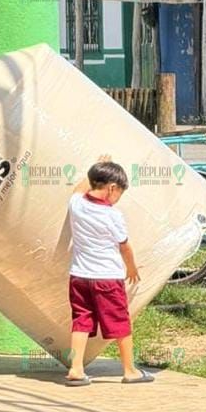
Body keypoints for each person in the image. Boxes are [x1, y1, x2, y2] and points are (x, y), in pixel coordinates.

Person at [64, 157, 155, 386]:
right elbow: (124, 246)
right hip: (107, 279)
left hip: (79, 277)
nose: (118, 199)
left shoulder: (76, 204)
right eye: (119, 193)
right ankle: (130, 370)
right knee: (120, 322)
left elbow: (79, 189)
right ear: (112, 188)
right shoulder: (113, 215)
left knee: (81, 320)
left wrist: (96, 168)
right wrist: (131, 268)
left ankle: (76, 368)